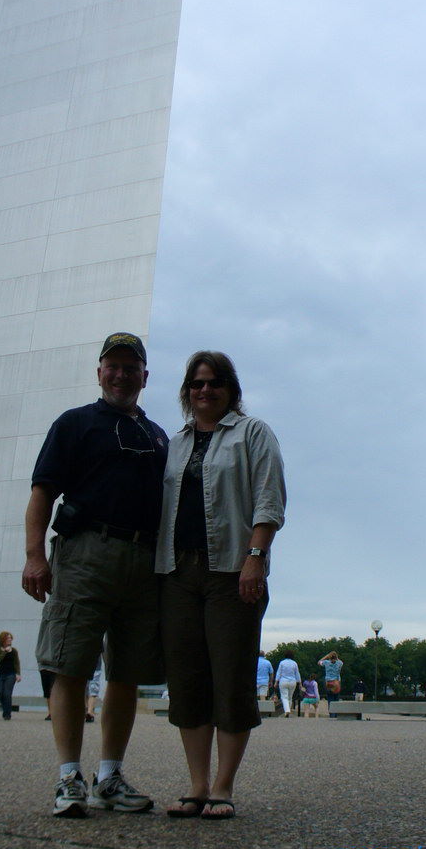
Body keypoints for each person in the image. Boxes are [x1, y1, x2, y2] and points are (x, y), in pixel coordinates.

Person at [22, 332, 168, 818]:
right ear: (99, 371)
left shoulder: (159, 436)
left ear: (145, 377)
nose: (122, 374)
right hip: (85, 554)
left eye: (132, 367)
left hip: (143, 562)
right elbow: (43, 490)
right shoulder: (75, 424)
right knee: (70, 664)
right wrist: (34, 556)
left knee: (125, 673)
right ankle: (68, 777)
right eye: (114, 365)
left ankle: (109, 776)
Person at [156, 350, 286, 819]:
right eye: (196, 384)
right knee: (188, 681)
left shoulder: (253, 433)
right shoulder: (175, 443)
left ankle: (223, 786)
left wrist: (255, 558)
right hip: (178, 574)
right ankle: (196, 784)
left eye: (214, 383)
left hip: (233, 571)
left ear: (230, 389)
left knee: (230, 678)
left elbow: (269, 500)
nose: (204, 391)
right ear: (187, 392)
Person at [0, 632, 21, 720]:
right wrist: (5, 651)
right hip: (0, 674)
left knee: (7, 694)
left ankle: (7, 714)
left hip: (10, 674)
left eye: (10, 638)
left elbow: (17, 663)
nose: (10, 639)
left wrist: (18, 674)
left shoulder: (14, 651)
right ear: (3, 639)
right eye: (8, 638)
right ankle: (6, 708)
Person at [274, 650, 302, 718]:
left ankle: (287, 710)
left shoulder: (282, 663)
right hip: (293, 681)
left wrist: (276, 682)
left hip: (283, 681)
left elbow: (279, 673)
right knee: (290, 697)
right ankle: (288, 711)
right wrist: (300, 683)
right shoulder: (294, 663)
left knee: (284, 697)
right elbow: (297, 673)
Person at [318, 650, 344, 718]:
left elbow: (319, 662)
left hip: (328, 682)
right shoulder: (339, 663)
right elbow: (341, 662)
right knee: (336, 698)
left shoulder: (326, 662)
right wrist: (336, 656)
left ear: (329, 657)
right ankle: (336, 715)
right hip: (337, 682)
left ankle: (331, 714)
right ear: (336, 657)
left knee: (330, 698)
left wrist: (327, 656)